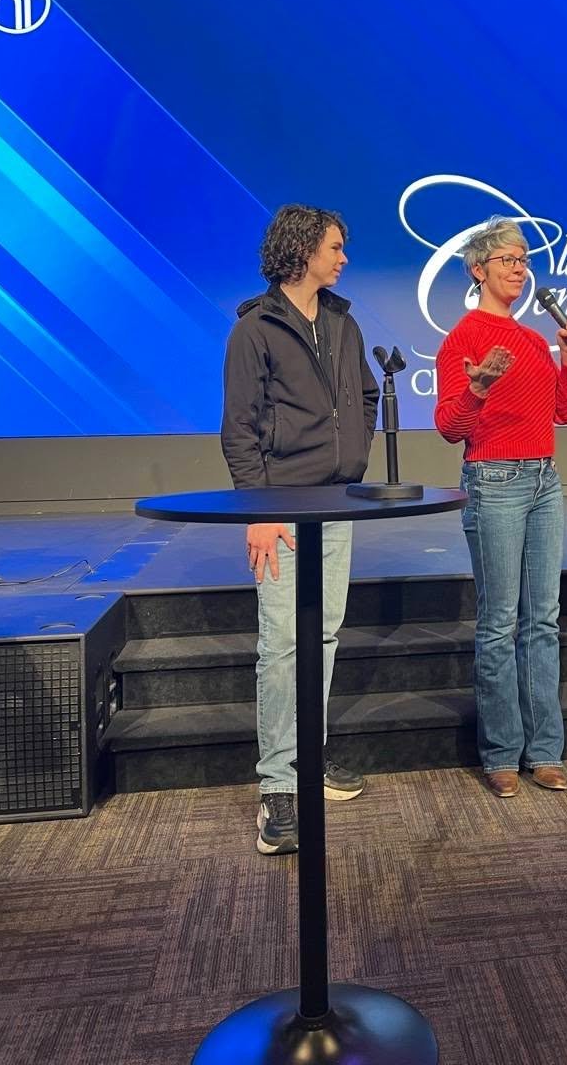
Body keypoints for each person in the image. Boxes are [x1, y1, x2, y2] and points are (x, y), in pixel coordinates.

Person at [221, 203, 379, 854]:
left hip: (335, 502)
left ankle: (305, 762)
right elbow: (240, 427)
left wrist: (355, 453)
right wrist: (259, 510)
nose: (343, 258)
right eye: (335, 247)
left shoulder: (343, 323)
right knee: (283, 643)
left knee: (323, 634)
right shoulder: (255, 328)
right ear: (303, 249)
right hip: (281, 507)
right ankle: (277, 792)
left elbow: (365, 395)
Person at [434, 217, 567, 797]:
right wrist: (478, 387)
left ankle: (544, 751)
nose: (519, 270)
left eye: (523, 260)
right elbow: (450, 427)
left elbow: (566, 413)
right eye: (507, 260)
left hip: (544, 478)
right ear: (478, 271)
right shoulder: (463, 339)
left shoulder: (530, 339)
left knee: (541, 619)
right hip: (493, 478)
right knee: (500, 621)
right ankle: (501, 752)